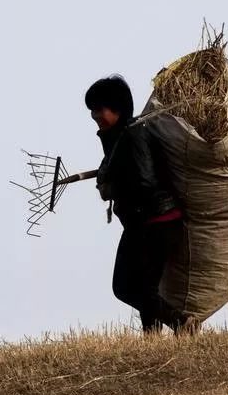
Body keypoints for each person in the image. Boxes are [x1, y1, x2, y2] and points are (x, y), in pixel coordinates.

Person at [85, 75, 198, 336]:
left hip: (157, 221)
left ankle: (182, 323)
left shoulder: (134, 135)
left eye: (98, 109)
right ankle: (154, 340)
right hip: (145, 222)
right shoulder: (118, 137)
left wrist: (111, 187)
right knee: (143, 288)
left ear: (117, 108)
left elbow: (144, 183)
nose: (94, 115)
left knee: (128, 287)